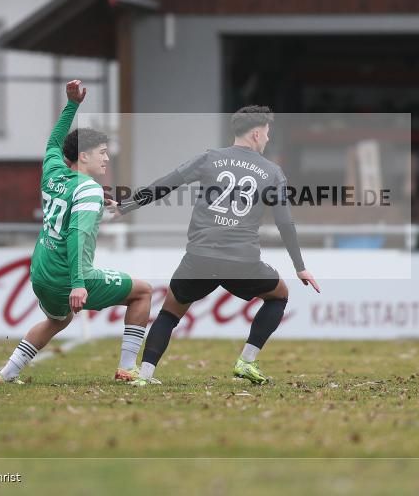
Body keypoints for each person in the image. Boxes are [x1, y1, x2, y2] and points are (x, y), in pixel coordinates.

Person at [114, 105, 320, 385]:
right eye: (267, 133)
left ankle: (145, 374)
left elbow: (166, 184)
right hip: (242, 261)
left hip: (200, 257)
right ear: (256, 134)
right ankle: (246, 361)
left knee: (169, 313)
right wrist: (300, 266)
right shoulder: (272, 172)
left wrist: (125, 206)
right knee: (279, 295)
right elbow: (285, 222)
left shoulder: (209, 158)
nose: (268, 138)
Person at [0, 80, 157, 386]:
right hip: (67, 277)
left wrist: (72, 105)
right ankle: (127, 368)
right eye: (102, 153)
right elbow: (76, 236)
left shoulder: (53, 171)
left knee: (59, 319)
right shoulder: (89, 189)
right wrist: (78, 285)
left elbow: (53, 143)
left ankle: (7, 373)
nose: (106, 159)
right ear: (83, 156)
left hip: (40, 273)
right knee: (143, 291)